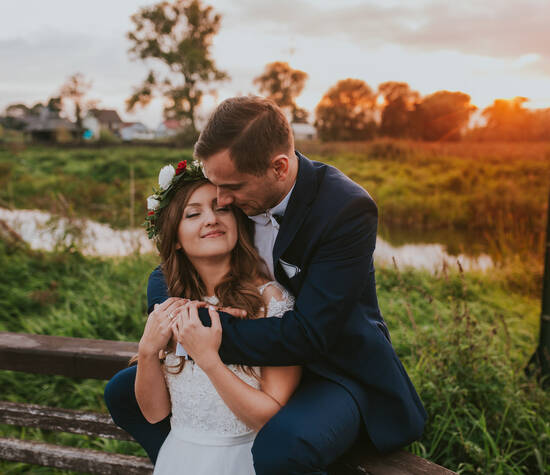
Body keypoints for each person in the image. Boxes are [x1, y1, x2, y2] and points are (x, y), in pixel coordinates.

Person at [105, 96, 427, 475]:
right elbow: (167, 270)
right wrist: (179, 317)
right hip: (256, 347)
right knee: (122, 391)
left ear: (279, 168)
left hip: (330, 364)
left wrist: (203, 335)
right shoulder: (233, 195)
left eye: (231, 189)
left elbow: (310, 335)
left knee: (282, 448)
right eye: (216, 186)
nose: (222, 200)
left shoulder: (345, 210)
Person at [135, 161, 301, 474]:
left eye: (221, 208)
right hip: (179, 459)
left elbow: (269, 417)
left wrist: (209, 360)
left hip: (244, 462)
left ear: (238, 221)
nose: (211, 219)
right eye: (193, 213)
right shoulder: (170, 307)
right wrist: (146, 352)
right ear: (175, 240)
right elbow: (155, 413)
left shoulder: (273, 303)